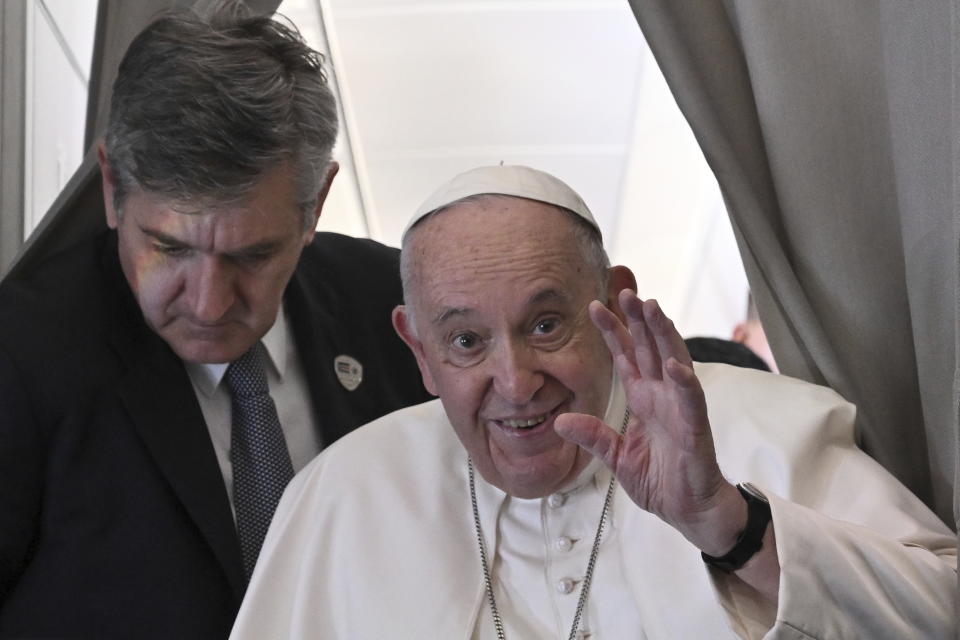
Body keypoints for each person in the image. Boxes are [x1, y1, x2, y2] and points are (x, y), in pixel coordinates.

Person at [231, 165, 957, 639]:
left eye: (546, 326)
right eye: (466, 342)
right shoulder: (342, 495)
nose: (515, 383)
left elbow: (942, 612)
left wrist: (729, 527)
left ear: (614, 300)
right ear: (417, 349)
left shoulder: (765, 422)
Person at [0, 4, 429, 638]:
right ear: (113, 186)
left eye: (253, 255)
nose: (208, 303)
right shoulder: (20, 356)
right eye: (170, 248)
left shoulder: (397, 304)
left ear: (316, 205)